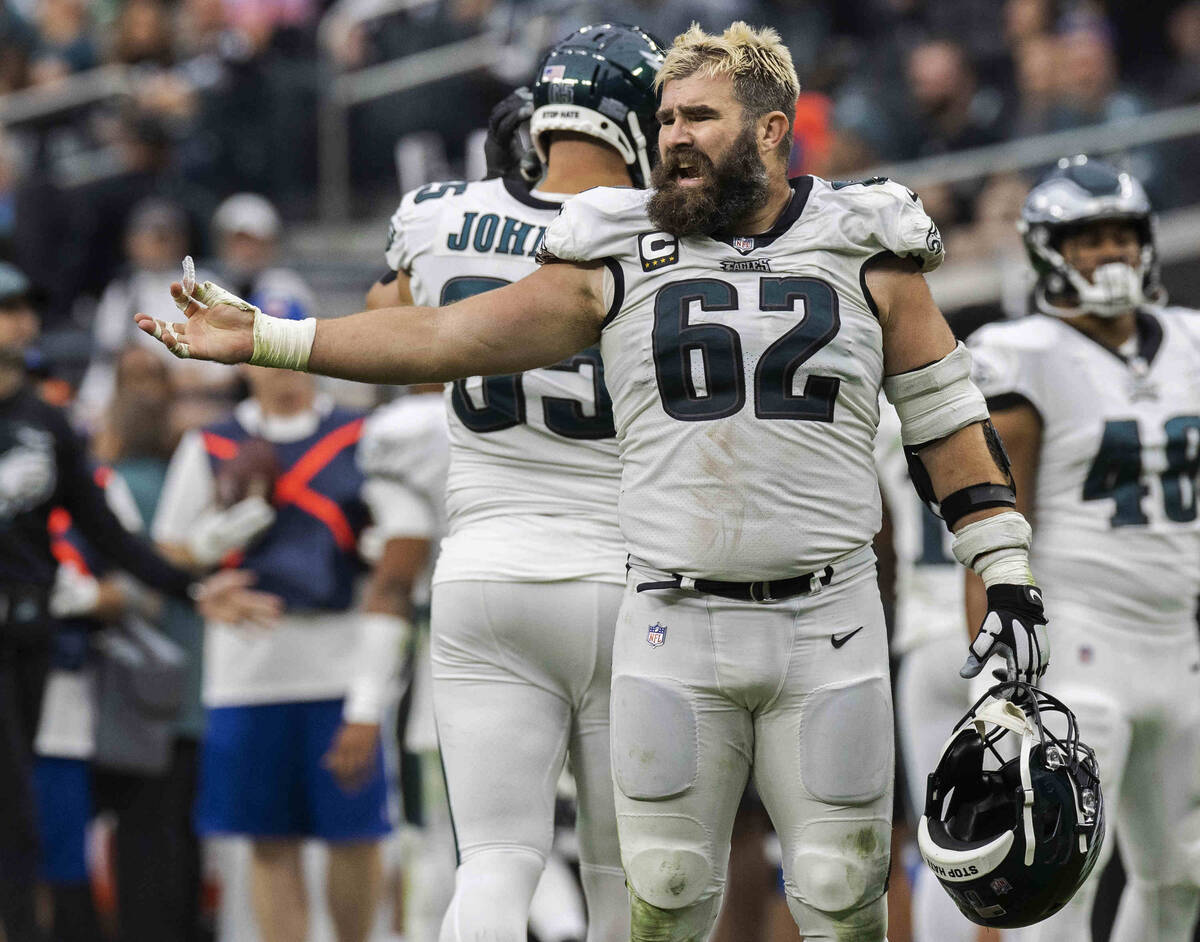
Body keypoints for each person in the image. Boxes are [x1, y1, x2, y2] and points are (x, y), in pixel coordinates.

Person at [137, 23, 1052, 942]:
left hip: (829, 614)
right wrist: (273, 338)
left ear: (773, 130)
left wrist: (1005, 568)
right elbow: (448, 335)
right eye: (665, 118)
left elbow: (946, 418)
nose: (675, 137)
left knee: (842, 891)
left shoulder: (866, 239)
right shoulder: (616, 240)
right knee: (661, 896)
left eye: (701, 116)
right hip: (671, 614)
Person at [360, 23, 665, 941]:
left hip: (487, 572)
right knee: (628, 869)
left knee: (492, 862)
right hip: (625, 578)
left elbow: (390, 319)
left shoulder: (436, 213)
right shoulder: (666, 233)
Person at [0, 261, 275, 942]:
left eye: (25, 307)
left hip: (29, 634)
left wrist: (192, 585)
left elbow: (107, 533)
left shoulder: (46, 423)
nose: (22, 320)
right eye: (7, 308)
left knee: (20, 814)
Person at [966, 155, 1200, 942]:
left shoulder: (1191, 341)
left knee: (1184, 875)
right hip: (1078, 644)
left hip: (1177, 639)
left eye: (1120, 237)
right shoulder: (1022, 352)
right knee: (1058, 874)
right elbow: (995, 525)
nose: (1108, 255)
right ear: (1046, 251)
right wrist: (1002, 676)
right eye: (1087, 238)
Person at [151, 290, 417, 942]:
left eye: (287, 337)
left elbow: (403, 543)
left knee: (354, 834)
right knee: (269, 841)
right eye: (262, 341)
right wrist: (206, 579)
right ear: (242, 357)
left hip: (340, 658)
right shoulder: (212, 442)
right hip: (247, 666)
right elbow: (169, 548)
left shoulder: (359, 436)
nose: (278, 360)